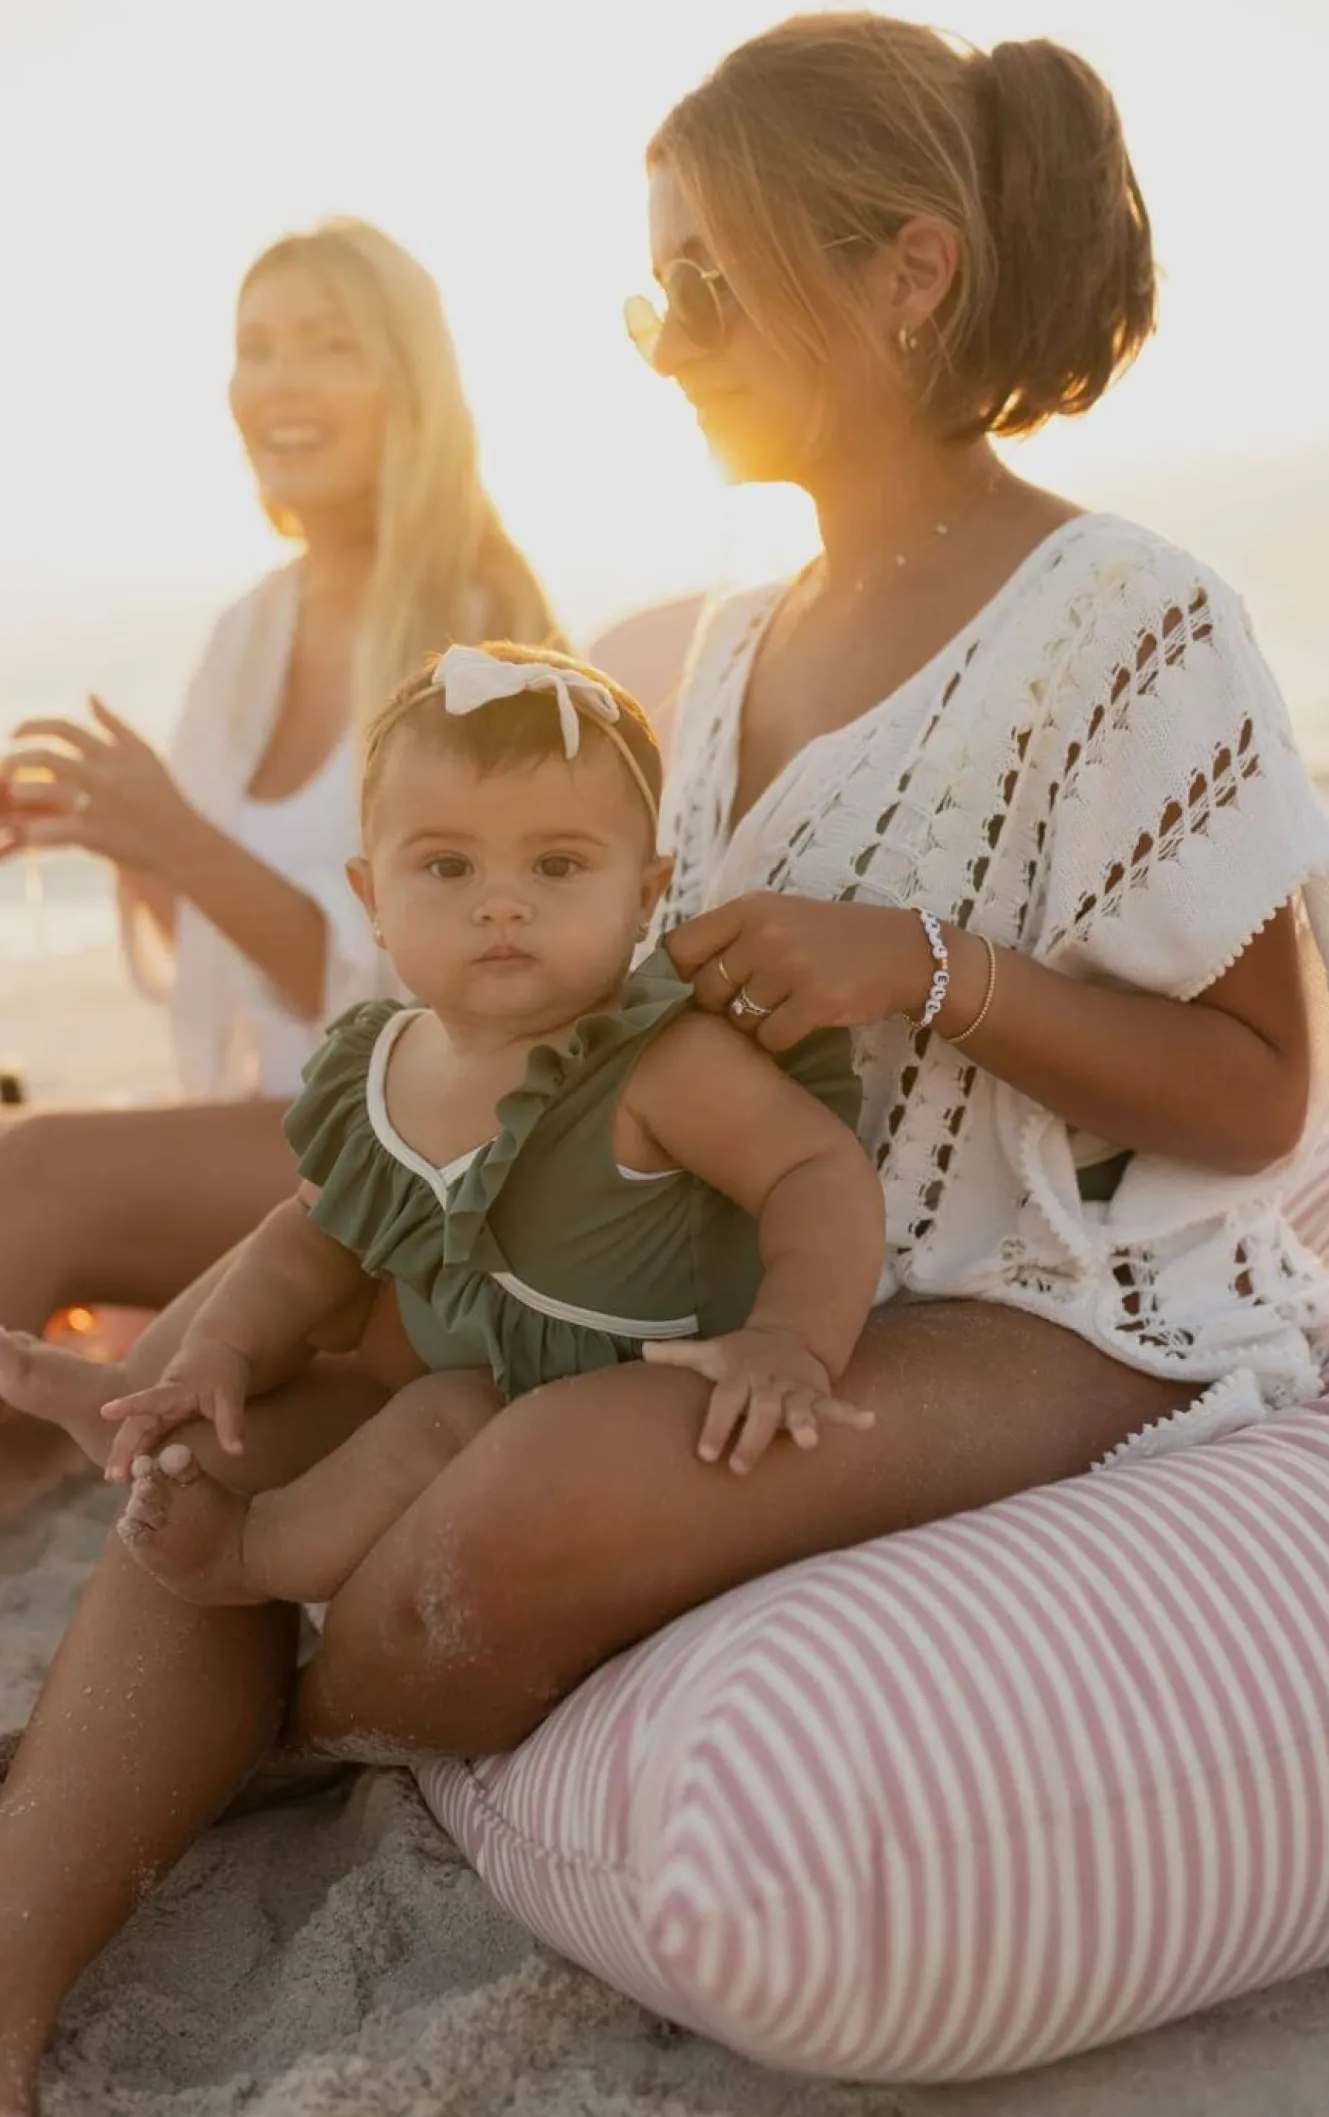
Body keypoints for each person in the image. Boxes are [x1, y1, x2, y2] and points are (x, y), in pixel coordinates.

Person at [0, 12, 1329, 2113]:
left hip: (1045, 1299)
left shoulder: (1127, 613)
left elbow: (1265, 1088)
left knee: (501, 1517)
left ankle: (251, 1718)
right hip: (725, 1266)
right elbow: (586, 1040)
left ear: (906, 270)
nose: (660, 332)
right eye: (648, 283)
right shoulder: (734, 639)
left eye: (705, 278)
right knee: (229, 1419)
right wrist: (295, 1273)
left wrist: (920, 967)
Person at [0, 643, 880, 1607]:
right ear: (373, 899)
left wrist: (792, 1338)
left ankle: (251, 1559)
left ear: (643, 892)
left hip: (590, 1410)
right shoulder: (384, 1062)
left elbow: (814, 1171)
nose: (501, 903)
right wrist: (222, 1350)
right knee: (308, 1364)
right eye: (447, 866)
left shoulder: (660, 1065)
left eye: (556, 864)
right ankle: (148, 1410)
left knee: (438, 1414)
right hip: (425, 1362)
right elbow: (309, 1235)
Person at [0, 218, 557, 1356]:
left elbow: (456, 980)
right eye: (256, 346)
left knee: (30, 1170)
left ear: (406, 381)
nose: (278, 380)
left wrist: (174, 836)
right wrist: (107, 832)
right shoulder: (249, 631)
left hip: (433, 1136)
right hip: (296, 1123)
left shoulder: (483, 634)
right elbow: (224, 954)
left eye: (326, 343)